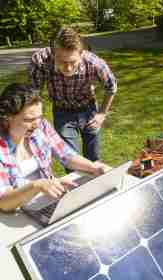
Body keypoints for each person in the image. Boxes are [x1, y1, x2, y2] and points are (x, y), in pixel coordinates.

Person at [0, 83, 106, 212]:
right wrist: (37, 185)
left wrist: (92, 167)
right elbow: (4, 202)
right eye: (28, 119)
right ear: (7, 118)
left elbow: (66, 155)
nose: (36, 124)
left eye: (39, 117)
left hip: (45, 201)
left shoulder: (41, 126)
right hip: (15, 213)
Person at [28, 26, 117, 163]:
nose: (68, 68)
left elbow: (111, 87)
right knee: (70, 160)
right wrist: (37, 120)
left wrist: (102, 114)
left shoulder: (94, 63)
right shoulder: (40, 61)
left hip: (89, 110)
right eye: (63, 62)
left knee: (93, 158)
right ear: (53, 53)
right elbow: (33, 94)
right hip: (62, 112)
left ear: (81, 54)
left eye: (73, 62)